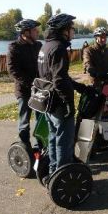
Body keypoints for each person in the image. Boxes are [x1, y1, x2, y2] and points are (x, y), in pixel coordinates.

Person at [38, 13, 90, 178]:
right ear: (64, 30)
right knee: (64, 141)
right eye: (72, 28)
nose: (73, 31)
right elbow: (59, 79)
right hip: (59, 103)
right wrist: (68, 102)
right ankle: (63, 175)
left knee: (53, 137)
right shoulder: (59, 48)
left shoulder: (46, 46)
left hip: (48, 101)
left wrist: (78, 87)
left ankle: (53, 171)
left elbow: (54, 76)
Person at [7, 19, 42, 151]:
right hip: (24, 91)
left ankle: (40, 146)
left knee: (41, 120)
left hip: (39, 90)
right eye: (34, 30)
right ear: (25, 32)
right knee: (24, 122)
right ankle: (25, 148)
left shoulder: (38, 45)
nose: (37, 32)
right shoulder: (14, 47)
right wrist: (30, 84)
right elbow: (13, 71)